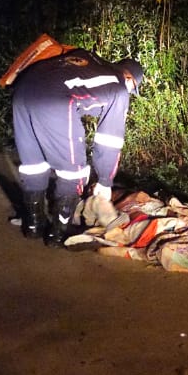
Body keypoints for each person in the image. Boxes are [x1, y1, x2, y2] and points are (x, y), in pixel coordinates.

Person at [10, 48, 144, 245]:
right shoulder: (118, 88)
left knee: (34, 164)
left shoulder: (91, 61)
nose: (130, 93)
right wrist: (105, 181)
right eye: (133, 88)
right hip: (55, 99)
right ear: (129, 77)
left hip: (23, 90)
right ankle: (57, 234)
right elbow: (109, 140)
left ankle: (33, 225)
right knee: (73, 171)